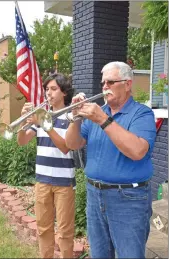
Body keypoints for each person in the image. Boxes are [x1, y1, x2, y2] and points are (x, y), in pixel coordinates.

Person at [65, 61, 156, 259]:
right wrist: (75, 117)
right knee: (99, 254)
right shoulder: (99, 113)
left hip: (128, 198)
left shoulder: (142, 113)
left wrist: (102, 120)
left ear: (128, 84)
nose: (105, 86)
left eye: (111, 82)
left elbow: (138, 151)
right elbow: (72, 144)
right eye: (103, 83)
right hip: (94, 194)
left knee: (129, 254)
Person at [17, 73, 75, 259]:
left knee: (65, 232)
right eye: (47, 89)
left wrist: (44, 124)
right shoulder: (41, 116)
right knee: (43, 228)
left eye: (53, 89)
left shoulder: (71, 115)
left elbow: (65, 147)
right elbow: (22, 141)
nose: (48, 93)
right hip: (42, 181)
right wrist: (22, 120)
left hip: (64, 183)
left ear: (64, 92)